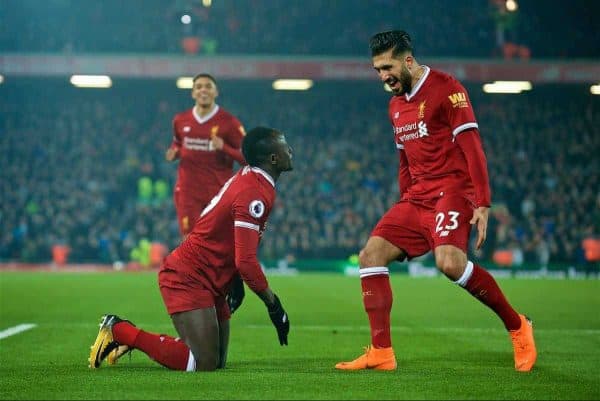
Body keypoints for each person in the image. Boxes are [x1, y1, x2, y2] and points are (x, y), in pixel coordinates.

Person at [335, 30, 537, 372]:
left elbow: (472, 147)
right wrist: (404, 205)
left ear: (408, 60)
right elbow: (404, 160)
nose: (383, 76)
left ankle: (518, 326)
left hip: (453, 191)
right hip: (417, 198)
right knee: (371, 255)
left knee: (449, 263)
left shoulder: (448, 89)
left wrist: (483, 202)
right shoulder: (395, 105)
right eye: (377, 70)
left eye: (387, 67)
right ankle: (381, 352)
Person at [89, 126, 293, 371]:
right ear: (273, 158)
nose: (290, 150)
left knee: (217, 361)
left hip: (212, 278)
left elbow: (230, 238)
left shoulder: (253, 179)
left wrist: (234, 280)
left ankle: (159, 342)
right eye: (285, 146)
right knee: (203, 362)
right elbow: (246, 261)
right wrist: (274, 305)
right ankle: (120, 330)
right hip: (188, 276)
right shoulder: (254, 192)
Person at [166, 73, 247, 238]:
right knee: (189, 240)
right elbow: (178, 143)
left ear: (216, 92)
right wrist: (174, 151)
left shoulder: (229, 123)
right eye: (199, 87)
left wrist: (224, 147)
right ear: (193, 93)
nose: (203, 90)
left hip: (217, 192)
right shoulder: (180, 120)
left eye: (208, 86)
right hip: (188, 191)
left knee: (216, 241)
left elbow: (247, 158)